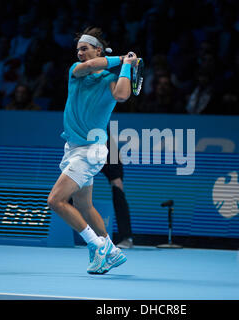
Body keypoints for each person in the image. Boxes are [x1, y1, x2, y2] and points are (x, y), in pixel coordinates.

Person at [47, 26, 137, 274]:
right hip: (73, 148)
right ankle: (110, 250)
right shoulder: (75, 71)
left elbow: (121, 95)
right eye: (78, 50)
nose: (80, 54)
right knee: (84, 205)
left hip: (90, 151)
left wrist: (127, 67)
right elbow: (88, 67)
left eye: (84, 49)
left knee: (55, 200)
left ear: (98, 50)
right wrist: (122, 59)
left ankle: (97, 245)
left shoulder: (110, 80)